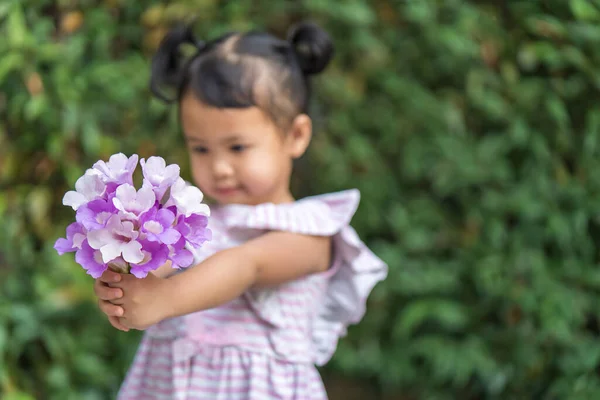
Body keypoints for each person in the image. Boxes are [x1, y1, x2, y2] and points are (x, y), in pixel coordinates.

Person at [94, 20, 388, 400]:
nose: (218, 167)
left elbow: (247, 265)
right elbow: (159, 264)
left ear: (296, 135)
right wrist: (125, 279)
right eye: (200, 148)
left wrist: (162, 300)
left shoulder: (311, 231)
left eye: (237, 148)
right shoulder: (190, 222)